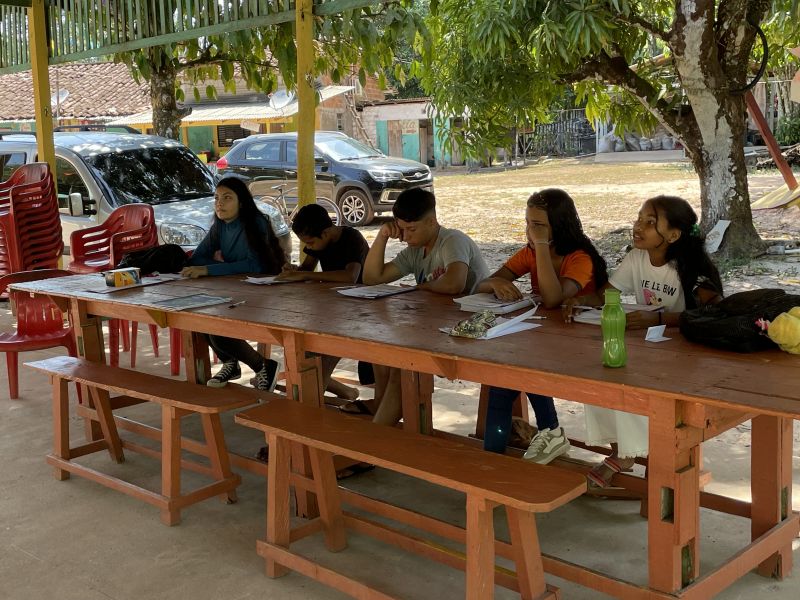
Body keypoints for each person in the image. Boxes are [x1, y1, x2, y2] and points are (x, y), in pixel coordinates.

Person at [567, 195, 722, 487]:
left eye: (650, 222)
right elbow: (606, 295)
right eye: (639, 219)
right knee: (601, 374)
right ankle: (622, 450)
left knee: (632, 383)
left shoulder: (690, 267)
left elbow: (715, 311)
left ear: (673, 235)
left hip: (687, 357)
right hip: (651, 349)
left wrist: (660, 318)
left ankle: (646, 453)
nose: (638, 227)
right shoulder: (637, 258)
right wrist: (579, 302)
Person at [475, 188, 608, 463]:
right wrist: (496, 282)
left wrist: (542, 246)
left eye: (538, 225)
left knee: (525, 369)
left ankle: (547, 432)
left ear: (557, 226)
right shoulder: (530, 253)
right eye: (527, 222)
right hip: (545, 341)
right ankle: (500, 452)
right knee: (502, 380)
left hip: (582, 346)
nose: (530, 231)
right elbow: (481, 285)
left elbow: (552, 299)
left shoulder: (579, 258)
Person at [360, 187, 490, 425]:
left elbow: (454, 283)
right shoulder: (415, 251)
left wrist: (419, 287)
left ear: (432, 222)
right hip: (441, 327)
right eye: (402, 229)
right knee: (385, 356)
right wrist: (382, 236)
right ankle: (381, 421)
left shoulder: (452, 240)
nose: (405, 237)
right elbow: (371, 278)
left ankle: (377, 435)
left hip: (472, 331)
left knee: (402, 366)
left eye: (411, 229)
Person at [180, 176, 285, 391]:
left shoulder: (256, 222)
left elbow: (255, 265)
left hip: (263, 293)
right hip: (234, 288)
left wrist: (210, 269)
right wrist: (215, 267)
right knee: (198, 317)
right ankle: (230, 363)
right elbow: (198, 258)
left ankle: (263, 366)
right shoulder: (220, 225)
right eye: (217, 198)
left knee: (216, 324)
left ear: (242, 202)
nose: (219, 203)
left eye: (227, 198)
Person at [277, 203, 369, 401]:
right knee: (306, 354)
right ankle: (340, 392)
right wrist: (293, 270)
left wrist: (304, 275)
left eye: (310, 243)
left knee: (322, 354)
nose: (308, 247)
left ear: (326, 233)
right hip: (332, 307)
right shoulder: (319, 241)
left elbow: (350, 276)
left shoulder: (352, 238)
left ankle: (310, 398)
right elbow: (307, 268)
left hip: (359, 309)